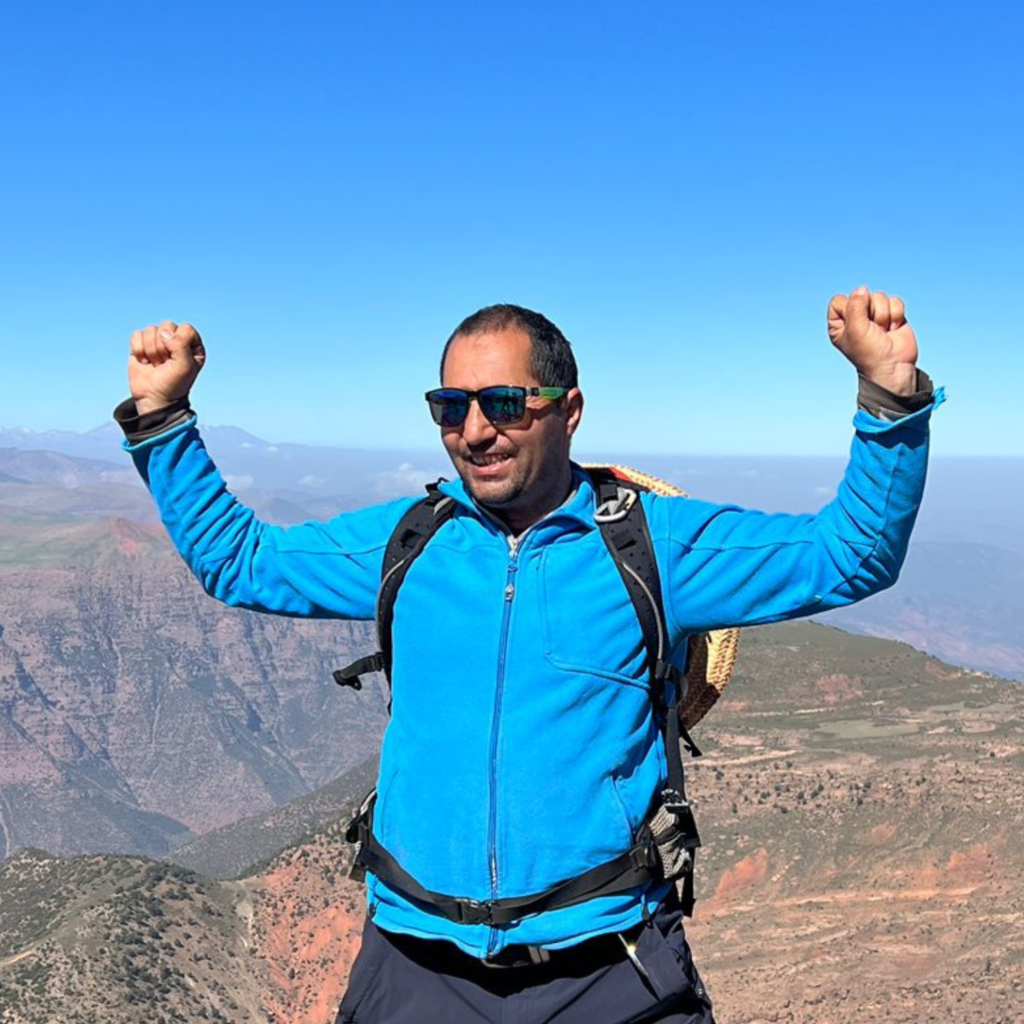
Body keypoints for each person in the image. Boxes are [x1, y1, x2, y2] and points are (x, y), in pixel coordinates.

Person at [115, 287, 940, 1024]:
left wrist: (889, 399)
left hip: (610, 967)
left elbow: (850, 554)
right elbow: (243, 563)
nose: (475, 431)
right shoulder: (409, 543)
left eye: (506, 402)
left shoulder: (652, 544)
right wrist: (161, 419)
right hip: (417, 961)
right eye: (451, 406)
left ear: (568, 408)